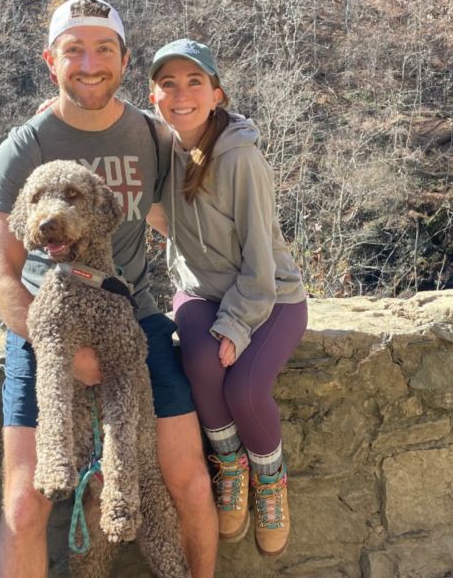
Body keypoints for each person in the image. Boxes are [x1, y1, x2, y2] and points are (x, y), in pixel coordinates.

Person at [0, 0, 217, 578]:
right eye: (74, 51)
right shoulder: (26, 146)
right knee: (25, 504)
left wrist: (253, 290)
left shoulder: (151, 136)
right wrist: (64, 351)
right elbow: (0, 279)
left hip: (134, 320)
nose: (90, 64)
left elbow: (198, 195)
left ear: (124, 59)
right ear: (51, 61)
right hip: (46, 329)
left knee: (188, 482)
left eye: (104, 49)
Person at [146, 39, 308, 559]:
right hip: (199, 291)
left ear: (217, 94)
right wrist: (62, 111)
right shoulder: (157, 146)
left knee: (245, 389)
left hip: (271, 296)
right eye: (168, 84)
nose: (182, 95)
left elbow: (261, 262)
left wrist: (237, 323)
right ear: (153, 97)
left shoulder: (241, 158)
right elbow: (107, 130)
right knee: (200, 362)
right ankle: (231, 469)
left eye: (195, 82)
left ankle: (270, 483)